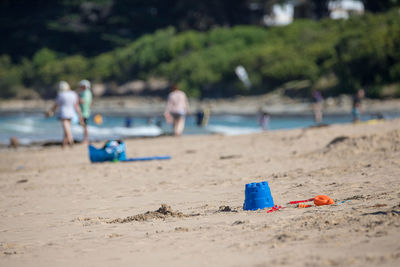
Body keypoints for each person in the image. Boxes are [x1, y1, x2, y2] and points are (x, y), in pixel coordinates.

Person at [47, 81, 83, 148]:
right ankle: (64, 144)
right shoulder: (73, 94)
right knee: (66, 128)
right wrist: (80, 114)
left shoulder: (61, 95)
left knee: (66, 128)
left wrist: (51, 111)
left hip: (63, 113)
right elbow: (76, 105)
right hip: (72, 112)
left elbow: (56, 105)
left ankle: (71, 141)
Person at [78, 79, 93, 144]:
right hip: (84, 111)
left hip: (85, 112)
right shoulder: (85, 92)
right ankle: (85, 139)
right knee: (84, 126)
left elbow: (83, 101)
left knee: (85, 126)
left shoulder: (87, 93)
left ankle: (86, 139)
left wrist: (76, 98)